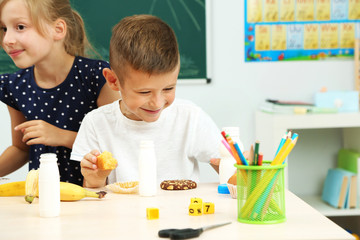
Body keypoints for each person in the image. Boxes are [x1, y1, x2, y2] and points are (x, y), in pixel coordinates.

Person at [70, 15, 224, 188]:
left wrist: (240, 167)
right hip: (123, 215)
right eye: (144, 92)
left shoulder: (190, 118)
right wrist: (95, 178)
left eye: (168, 89)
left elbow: (230, 173)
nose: (157, 103)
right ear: (113, 81)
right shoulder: (96, 123)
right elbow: (94, 196)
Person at [0, 0, 120, 185]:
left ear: (58, 29)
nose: (7, 39)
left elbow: (115, 147)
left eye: (20, 27)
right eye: (4, 29)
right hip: (42, 199)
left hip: (95, 198)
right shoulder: (14, 86)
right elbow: (21, 149)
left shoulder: (98, 77)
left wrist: (61, 136)